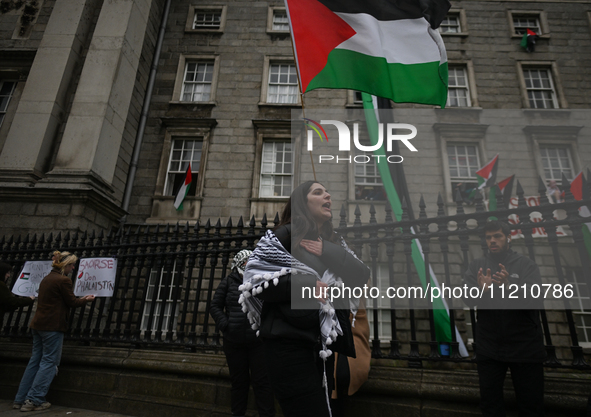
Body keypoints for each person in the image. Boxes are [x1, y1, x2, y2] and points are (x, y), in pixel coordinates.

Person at [240, 181, 370, 417]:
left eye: (327, 192)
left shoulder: (334, 242)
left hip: (322, 348)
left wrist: (326, 251)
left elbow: (361, 275)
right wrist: (307, 286)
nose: (327, 195)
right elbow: (254, 279)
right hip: (288, 347)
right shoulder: (282, 235)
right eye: (318, 192)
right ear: (302, 202)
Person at [463, 221, 545, 417]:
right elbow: (466, 298)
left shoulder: (525, 265)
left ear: (508, 237)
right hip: (489, 347)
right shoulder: (477, 266)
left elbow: (536, 299)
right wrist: (481, 290)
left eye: (497, 236)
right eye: (489, 237)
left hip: (525, 347)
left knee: (531, 406)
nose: (492, 240)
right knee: (490, 406)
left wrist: (510, 286)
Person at [14, 251, 95, 412]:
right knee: (49, 362)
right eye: (72, 265)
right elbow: (72, 302)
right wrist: (86, 299)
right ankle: (35, 400)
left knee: (35, 361)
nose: (73, 268)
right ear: (65, 265)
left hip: (37, 325)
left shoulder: (47, 278)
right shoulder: (63, 280)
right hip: (52, 327)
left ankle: (20, 398)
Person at [210, 249, 275, 417]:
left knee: (262, 383)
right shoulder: (228, 282)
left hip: (257, 342)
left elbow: (270, 306)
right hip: (234, 342)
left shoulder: (260, 281)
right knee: (239, 383)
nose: (248, 265)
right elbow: (215, 306)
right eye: (245, 262)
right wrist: (226, 325)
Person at [0, 262, 35, 327]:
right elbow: (11, 301)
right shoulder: (1, 285)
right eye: (7, 273)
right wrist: (29, 299)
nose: (9, 275)